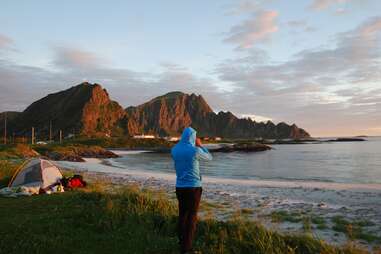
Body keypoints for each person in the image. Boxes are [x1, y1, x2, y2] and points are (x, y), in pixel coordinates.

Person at [171, 127, 212, 254]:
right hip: (193, 187)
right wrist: (200, 145)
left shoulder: (174, 150)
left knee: (183, 215)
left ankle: (181, 242)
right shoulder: (195, 150)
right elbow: (209, 157)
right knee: (192, 217)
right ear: (192, 137)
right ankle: (187, 249)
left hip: (180, 187)